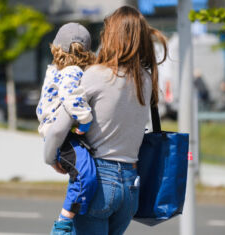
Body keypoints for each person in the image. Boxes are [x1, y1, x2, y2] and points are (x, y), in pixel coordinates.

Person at [43, 6, 167, 235]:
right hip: (130, 187)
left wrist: (50, 158)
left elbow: (58, 128)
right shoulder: (145, 79)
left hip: (99, 182)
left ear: (111, 36)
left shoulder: (96, 75)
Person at [36, 22, 98, 235]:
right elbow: (70, 97)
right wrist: (85, 120)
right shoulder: (72, 72)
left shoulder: (55, 71)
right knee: (85, 174)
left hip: (57, 136)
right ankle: (63, 222)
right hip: (63, 137)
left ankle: (69, 219)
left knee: (79, 173)